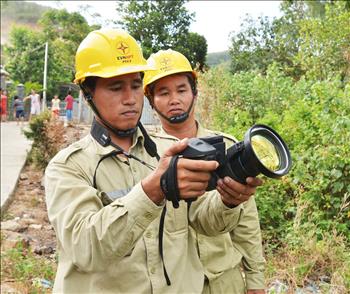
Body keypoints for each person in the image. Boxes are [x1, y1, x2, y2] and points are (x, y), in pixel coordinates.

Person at [44, 28, 255, 293]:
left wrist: (227, 201)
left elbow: (205, 221)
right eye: (116, 87)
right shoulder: (69, 167)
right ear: (88, 93)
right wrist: (153, 191)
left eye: (135, 85)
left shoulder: (171, 152)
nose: (130, 98)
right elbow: (86, 249)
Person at [144, 49, 266, 294]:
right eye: (163, 93)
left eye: (181, 90)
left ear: (194, 93)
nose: (174, 99)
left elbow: (247, 221)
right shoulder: (146, 154)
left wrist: (255, 280)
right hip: (174, 285)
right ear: (151, 101)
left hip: (224, 280)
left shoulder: (227, 146)